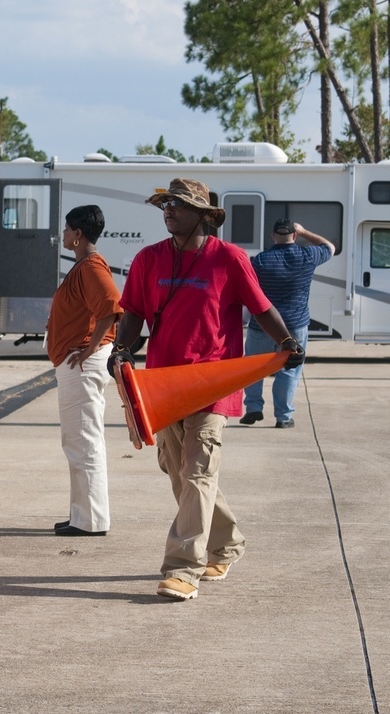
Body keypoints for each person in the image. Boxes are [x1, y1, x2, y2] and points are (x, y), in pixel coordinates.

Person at [109, 178, 304, 601]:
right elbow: (135, 313)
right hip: (162, 386)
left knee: (198, 473)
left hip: (212, 384)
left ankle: (183, 568)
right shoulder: (148, 259)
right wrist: (122, 349)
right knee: (180, 474)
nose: (168, 211)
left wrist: (287, 343)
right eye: (165, 204)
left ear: (203, 214)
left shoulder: (229, 259)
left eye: (177, 205)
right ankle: (228, 542)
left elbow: (262, 308)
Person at [46, 205, 123, 537]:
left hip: (82, 365)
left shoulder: (91, 266)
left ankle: (91, 520)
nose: (63, 235)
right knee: (77, 440)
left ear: (77, 234)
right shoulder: (84, 266)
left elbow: (111, 308)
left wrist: (90, 348)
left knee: (84, 441)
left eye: (66, 230)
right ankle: (82, 514)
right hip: (76, 363)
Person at [241, 219, 334, 429]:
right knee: (289, 370)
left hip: (263, 324)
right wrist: (305, 231)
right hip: (295, 325)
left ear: (273, 236)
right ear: (294, 236)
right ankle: (283, 417)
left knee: (253, 367)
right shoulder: (308, 256)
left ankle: (253, 408)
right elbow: (330, 247)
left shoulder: (260, 260)